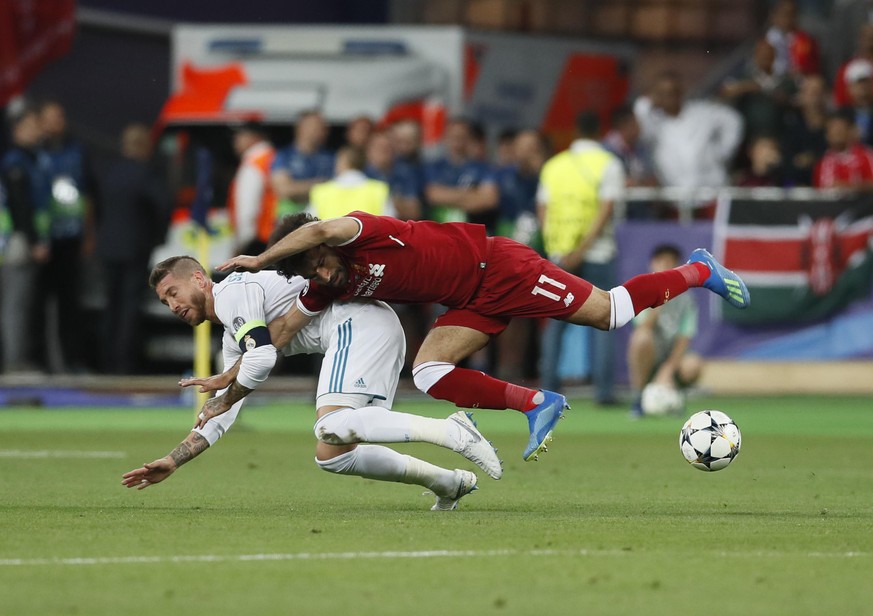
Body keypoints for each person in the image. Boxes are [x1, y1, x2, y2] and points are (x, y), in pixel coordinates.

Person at [212, 211, 751, 462]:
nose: (323, 275)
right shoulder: (329, 286)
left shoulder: (359, 231)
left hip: (502, 267)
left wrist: (260, 257)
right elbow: (279, 333)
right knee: (427, 372)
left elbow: (322, 231)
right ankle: (539, 402)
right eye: (312, 272)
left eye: (322, 264)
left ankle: (699, 272)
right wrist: (233, 375)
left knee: (610, 314)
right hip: (470, 301)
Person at [122, 250, 501, 511]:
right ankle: (449, 484)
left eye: (173, 292)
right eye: (164, 302)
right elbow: (224, 409)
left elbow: (261, 359)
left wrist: (224, 396)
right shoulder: (232, 333)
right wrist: (173, 460)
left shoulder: (235, 293)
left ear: (201, 280)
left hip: (357, 323)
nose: (172, 305)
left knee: (331, 424)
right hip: (371, 329)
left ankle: (453, 430)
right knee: (333, 454)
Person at [537, 111, 623, 405]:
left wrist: (557, 251)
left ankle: (548, 389)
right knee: (605, 320)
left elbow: (543, 210)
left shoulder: (553, 166)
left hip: (559, 254)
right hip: (597, 253)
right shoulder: (608, 164)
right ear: (599, 131)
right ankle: (603, 393)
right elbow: (605, 209)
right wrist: (582, 250)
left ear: (575, 132)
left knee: (556, 322)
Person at [95, 123, 172, 374]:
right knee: (129, 306)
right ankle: (124, 364)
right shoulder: (146, 174)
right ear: (144, 146)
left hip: (108, 248)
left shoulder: (110, 173)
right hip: (135, 248)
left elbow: (98, 208)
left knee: (111, 305)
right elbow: (162, 206)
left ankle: (106, 360)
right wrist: (159, 236)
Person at [37, 99, 95, 373]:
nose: (56, 122)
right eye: (50, 117)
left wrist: (88, 234)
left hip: (70, 238)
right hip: (41, 240)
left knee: (70, 304)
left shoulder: (77, 151)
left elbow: (89, 195)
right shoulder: (33, 153)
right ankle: (40, 362)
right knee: (36, 303)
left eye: (59, 116)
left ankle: (73, 361)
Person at [0, 107, 51, 374]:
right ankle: (14, 363)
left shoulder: (32, 158)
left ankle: (18, 358)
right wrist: (33, 240)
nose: (37, 129)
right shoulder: (15, 160)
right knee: (15, 305)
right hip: (18, 240)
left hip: (25, 238)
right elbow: (20, 205)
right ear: (18, 128)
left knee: (22, 304)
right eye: (32, 124)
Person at [634, 71, 744, 192]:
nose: (667, 98)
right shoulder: (654, 125)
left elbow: (733, 121)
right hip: (677, 197)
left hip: (712, 190)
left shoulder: (701, 111)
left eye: (671, 93)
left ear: (680, 93)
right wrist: (648, 102)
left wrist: (722, 154)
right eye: (661, 94)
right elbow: (640, 113)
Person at [627, 245, 703, 417]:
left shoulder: (686, 299)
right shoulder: (641, 291)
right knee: (640, 339)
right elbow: (642, 328)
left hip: (672, 354)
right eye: (661, 261)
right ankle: (639, 397)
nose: (665, 266)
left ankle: (674, 395)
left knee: (693, 364)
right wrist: (659, 297)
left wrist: (668, 369)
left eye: (670, 262)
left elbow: (684, 338)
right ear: (652, 265)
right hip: (652, 353)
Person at [424, 118, 499, 229]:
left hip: (471, 231)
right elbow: (434, 195)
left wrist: (448, 196)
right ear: (446, 137)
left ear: (469, 139)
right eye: (454, 136)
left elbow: (489, 199)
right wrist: (472, 193)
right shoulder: (434, 167)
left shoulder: (483, 168)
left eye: (462, 137)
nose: (457, 141)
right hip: (439, 231)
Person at [270, 110, 334, 217]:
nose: (322, 130)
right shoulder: (284, 156)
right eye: (315, 126)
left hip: (320, 219)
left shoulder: (330, 157)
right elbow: (285, 190)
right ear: (301, 128)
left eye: (323, 127)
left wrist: (299, 187)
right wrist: (321, 184)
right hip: (290, 220)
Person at [227, 121, 277, 255]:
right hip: (277, 237)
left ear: (254, 137)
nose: (235, 141)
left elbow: (248, 210)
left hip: (258, 242)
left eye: (239, 136)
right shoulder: (275, 157)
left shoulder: (254, 163)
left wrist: (240, 246)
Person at [310, 146, 394, 220]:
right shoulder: (379, 189)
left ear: (343, 162)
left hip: (330, 238)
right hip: (369, 237)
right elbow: (390, 220)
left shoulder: (321, 191)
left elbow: (310, 223)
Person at [364, 130, 421, 221]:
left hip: (396, 228)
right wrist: (397, 202)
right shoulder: (359, 174)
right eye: (380, 148)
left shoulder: (405, 173)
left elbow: (414, 211)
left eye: (388, 148)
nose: (384, 152)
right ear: (368, 151)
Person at [812, 108, 873, 189]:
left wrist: (848, 187)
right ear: (827, 135)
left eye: (840, 130)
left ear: (850, 131)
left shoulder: (866, 156)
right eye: (832, 130)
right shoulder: (822, 163)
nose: (836, 134)